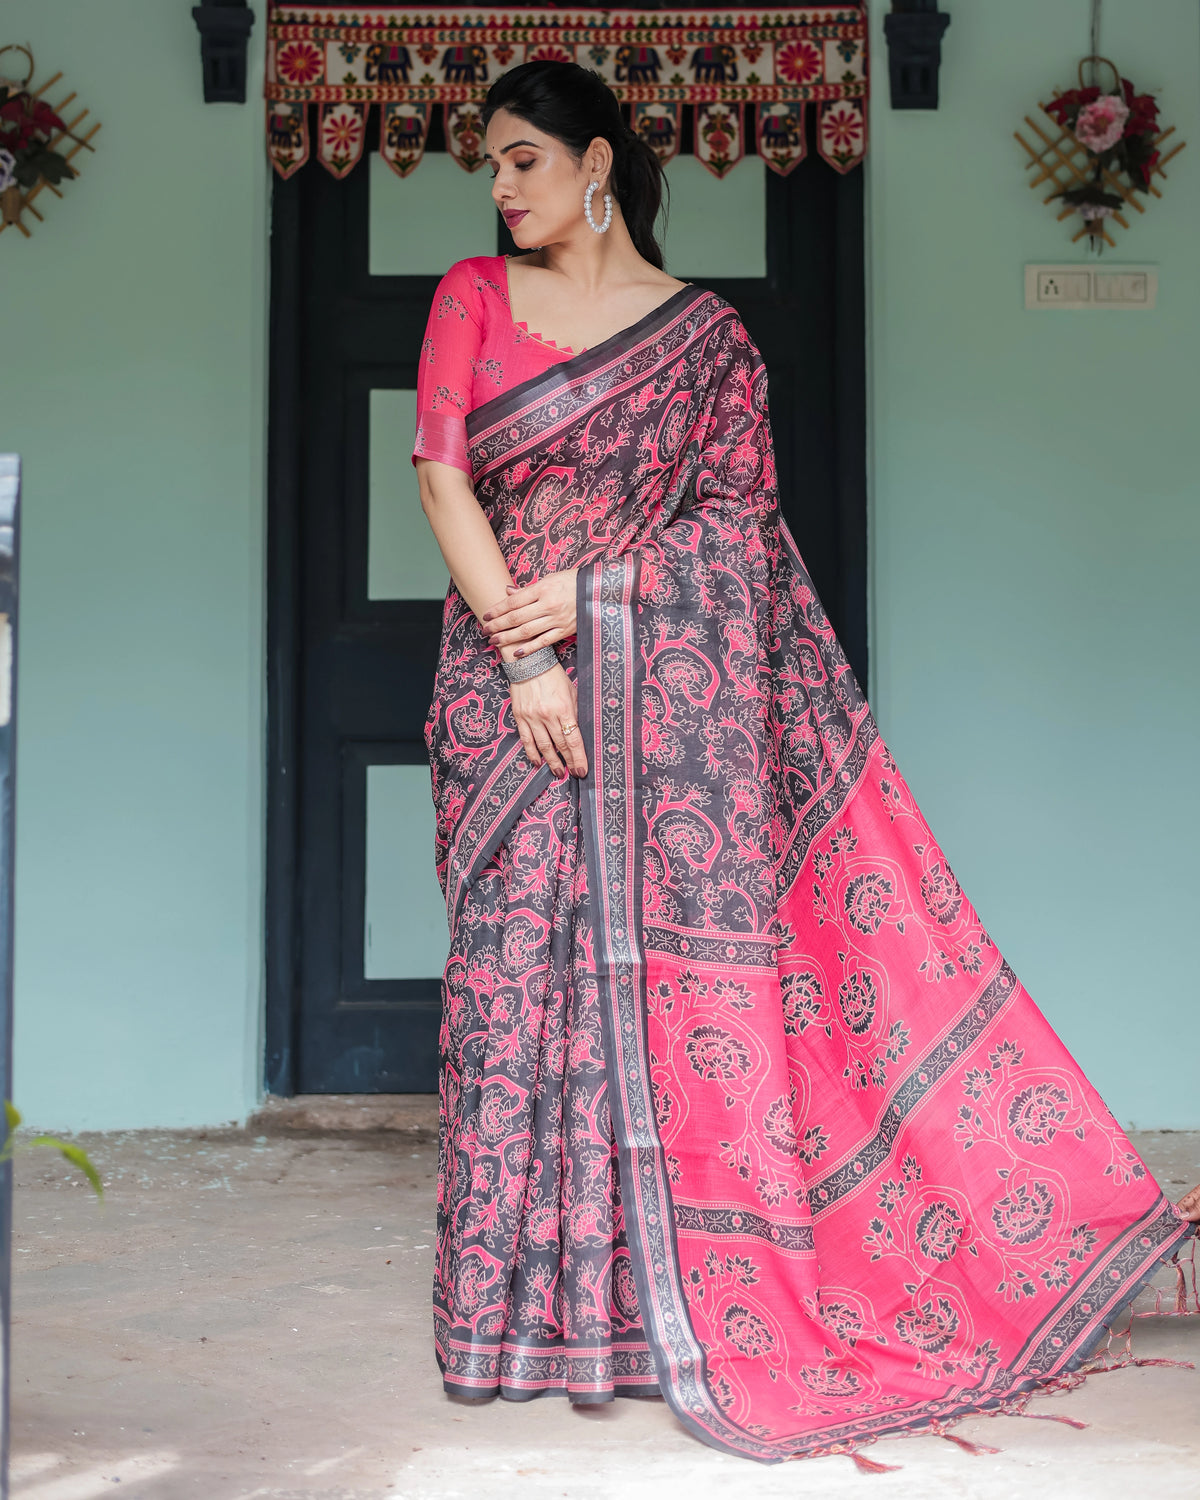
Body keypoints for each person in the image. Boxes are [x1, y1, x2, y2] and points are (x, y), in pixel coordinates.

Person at [411, 59, 1199, 1466]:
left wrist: (594, 594)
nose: (501, 187)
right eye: (494, 164)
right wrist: (526, 654)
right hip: (505, 693)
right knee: (510, 987)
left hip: (665, 708)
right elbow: (441, 472)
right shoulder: (472, 296)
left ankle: (661, 1324)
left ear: (597, 163)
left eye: (523, 159)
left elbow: (740, 543)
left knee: (648, 1001)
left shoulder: (710, 345)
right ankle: (514, 1325)